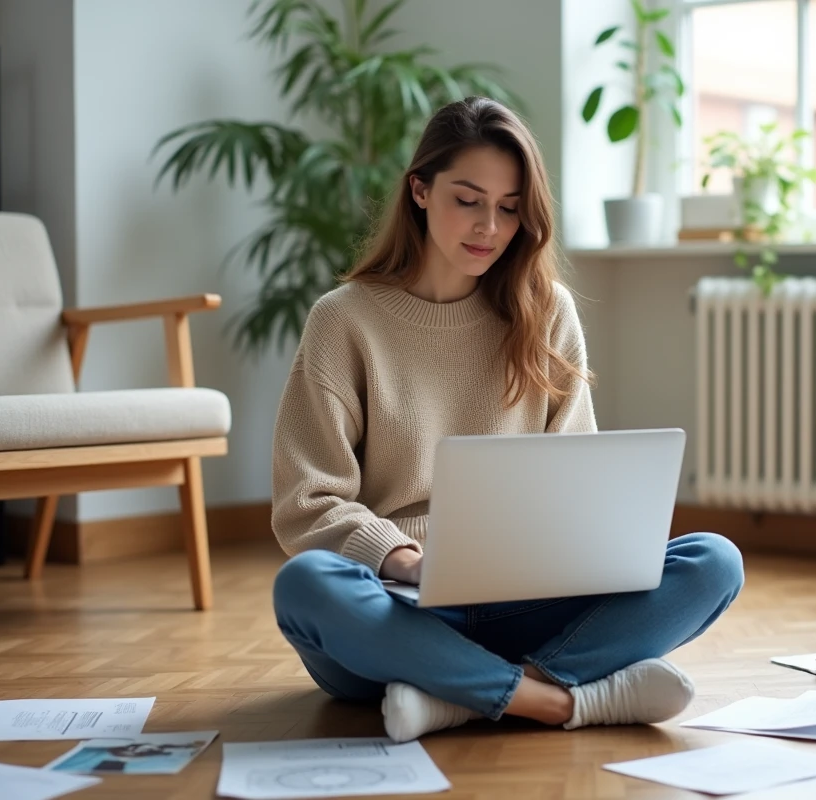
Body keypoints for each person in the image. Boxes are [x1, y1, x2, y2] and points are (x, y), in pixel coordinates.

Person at [270, 96, 744, 743]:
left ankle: (464, 697)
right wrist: (406, 558)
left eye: (510, 206)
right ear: (420, 190)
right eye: (468, 199)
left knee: (715, 561)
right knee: (306, 586)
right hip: (401, 613)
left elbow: (579, 479)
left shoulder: (547, 310)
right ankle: (564, 698)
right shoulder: (344, 319)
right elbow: (307, 502)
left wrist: (582, 553)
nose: (488, 226)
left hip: (531, 603)